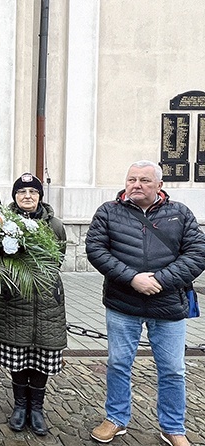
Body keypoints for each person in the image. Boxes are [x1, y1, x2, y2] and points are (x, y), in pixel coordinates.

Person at [85, 160, 205, 446]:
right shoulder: (108, 212)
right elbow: (96, 249)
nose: (136, 185)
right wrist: (133, 278)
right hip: (122, 302)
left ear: (159, 185)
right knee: (118, 363)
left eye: (144, 180)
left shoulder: (180, 214)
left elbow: (198, 253)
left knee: (173, 369)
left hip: (168, 305)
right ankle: (115, 418)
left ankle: (173, 427)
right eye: (131, 179)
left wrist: (160, 280)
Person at [0, 173, 67, 436]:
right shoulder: (3, 223)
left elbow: (58, 258)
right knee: (18, 356)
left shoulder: (54, 225)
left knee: (42, 357)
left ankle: (37, 408)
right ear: (14, 196)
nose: (27, 196)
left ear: (40, 196)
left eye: (32, 192)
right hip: (15, 300)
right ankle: (20, 406)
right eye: (22, 192)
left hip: (47, 301)